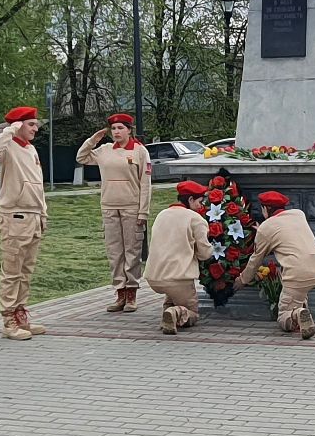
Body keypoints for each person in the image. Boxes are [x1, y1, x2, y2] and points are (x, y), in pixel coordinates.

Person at [77, 112, 151, 313]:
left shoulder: (139, 151)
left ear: (129, 130)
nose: (116, 132)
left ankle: (131, 292)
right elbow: (81, 157)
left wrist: (143, 212)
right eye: (113, 129)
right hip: (109, 206)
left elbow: (145, 184)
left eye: (120, 128)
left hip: (131, 207)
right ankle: (120, 292)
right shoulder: (105, 150)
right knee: (114, 252)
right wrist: (93, 140)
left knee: (132, 251)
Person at [238, 190, 315, 339]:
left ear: (266, 208)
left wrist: (243, 279)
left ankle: (296, 314)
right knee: (299, 290)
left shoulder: (266, 227)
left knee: (283, 315)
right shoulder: (298, 214)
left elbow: (256, 259)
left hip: (299, 273)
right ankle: (301, 309)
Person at [0, 105, 48, 341]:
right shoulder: (7, 147)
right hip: (15, 216)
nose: (35, 129)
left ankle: (21, 313)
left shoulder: (31, 148)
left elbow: (38, 185)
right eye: (31, 124)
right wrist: (10, 130)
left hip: (33, 216)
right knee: (12, 271)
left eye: (36, 124)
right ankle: (8, 320)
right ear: (18, 125)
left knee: (26, 271)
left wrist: (43, 213)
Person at [147, 181, 215, 335]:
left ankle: (168, 314)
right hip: (179, 278)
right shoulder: (195, 219)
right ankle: (176, 313)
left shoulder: (161, 214)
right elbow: (205, 253)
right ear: (190, 199)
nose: (201, 206)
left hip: (154, 276)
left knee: (172, 295)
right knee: (192, 312)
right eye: (200, 201)